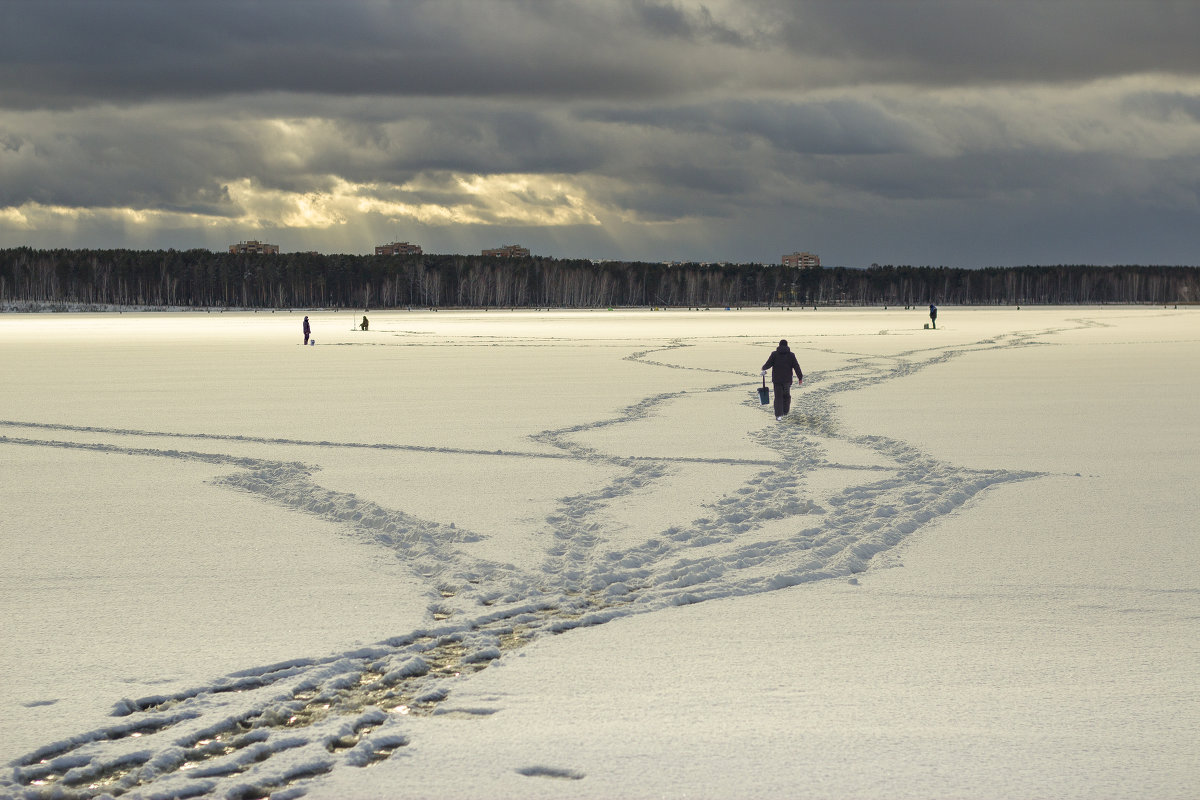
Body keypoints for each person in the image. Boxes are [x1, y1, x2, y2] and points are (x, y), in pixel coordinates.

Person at [761, 339, 804, 421]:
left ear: (779, 345)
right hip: (787, 380)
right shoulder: (791, 355)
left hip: (777, 380)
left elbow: (768, 364)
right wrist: (800, 377)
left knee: (778, 397)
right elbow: (796, 366)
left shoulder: (774, 354)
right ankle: (785, 411)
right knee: (786, 396)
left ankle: (778, 415)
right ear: (787, 345)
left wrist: (763, 368)